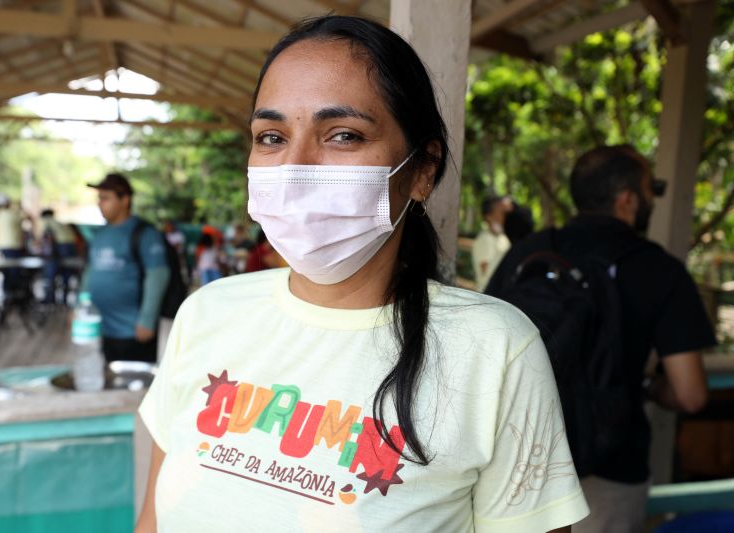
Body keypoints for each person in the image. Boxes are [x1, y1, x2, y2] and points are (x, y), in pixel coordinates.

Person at [135, 16, 587, 533]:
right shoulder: (208, 312)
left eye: (344, 135)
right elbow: (152, 519)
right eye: (272, 136)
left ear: (421, 171)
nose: (296, 168)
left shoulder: (494, 349)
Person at [486, 144, 716, 533]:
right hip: (612, 468)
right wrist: (647, 385)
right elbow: (690, 394)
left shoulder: (530, 251)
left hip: (517, 464)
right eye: (650, 188)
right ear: (627, 199)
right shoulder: (660, 271)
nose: (652, 198)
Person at [83, 173, 170, 363]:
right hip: (104, 330)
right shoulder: (100, 234)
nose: (100, 203)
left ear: (125, 200)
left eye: (106, 198)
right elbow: (90, 271)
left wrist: (147, 320)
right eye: (99, 198)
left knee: (136, 386)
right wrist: (78, 306)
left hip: (135, 331)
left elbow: (158, 275)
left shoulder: (144, 233)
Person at [472, 195, 511, 291]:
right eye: (500, 211)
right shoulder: (484, 239)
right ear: (488, 216)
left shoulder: (504, 238)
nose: (504, 215)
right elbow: (488, 274)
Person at [39, 208, 78, 304]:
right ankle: (64, 299)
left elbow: (48, 239)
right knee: (66, 271)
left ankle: (49, 298)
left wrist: (47, 255)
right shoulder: (57, 222)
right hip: (71, 246)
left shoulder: (47, 221)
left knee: (50, 271)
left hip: (62, 246)